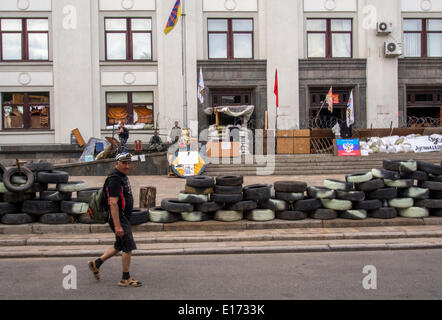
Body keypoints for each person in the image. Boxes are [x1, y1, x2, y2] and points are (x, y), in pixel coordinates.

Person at [88, 153, 142, 288]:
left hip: (123, 217)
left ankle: (96, 263)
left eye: (129, 163)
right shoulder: (115, 179)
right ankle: (125, 278)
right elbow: (113, 203)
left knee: (119, 245)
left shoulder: (121, 176)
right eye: (124, 163)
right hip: (119, 218)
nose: (127, 166)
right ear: (117, 163)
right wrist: (118, 225)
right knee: (128, 246)